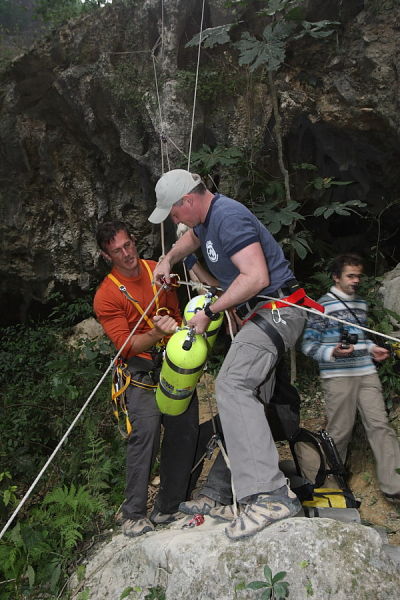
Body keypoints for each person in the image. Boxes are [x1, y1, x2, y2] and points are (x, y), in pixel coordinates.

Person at [149, 169, 307, 540]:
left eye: (173, 212)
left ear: (188, 200)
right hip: (261, 314)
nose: (174, 220)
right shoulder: (206, 221)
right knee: (247, 400)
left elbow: (256, 277)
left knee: (232, 385)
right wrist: (168, 259)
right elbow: (191, 239)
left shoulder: (229, 216)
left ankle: (270, 496)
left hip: (277, 311)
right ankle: (223, 493)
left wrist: (211, 310)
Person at [93, 220, 199, 537]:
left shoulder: (157, 271)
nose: (126, 254)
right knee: (146, 434)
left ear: (134, 240)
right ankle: (133, 514)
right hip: (139, 372)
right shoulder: (107, 295)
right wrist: (155, 332)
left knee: (183, 429)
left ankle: (169, 505)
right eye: (117, 251)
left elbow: (175, 313)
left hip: (172, 363)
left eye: (128, 245)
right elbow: (125, 346)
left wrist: (177, 329)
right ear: (106, 256)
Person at [301, 253, 400, 504]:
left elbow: (360, 339)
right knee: (339, 431)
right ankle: (330, 486)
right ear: (336, 277)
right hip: (338, 376)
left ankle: (394, 485)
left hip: (366, 372)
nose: (356, 280)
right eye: (350, 276)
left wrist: (372, 349)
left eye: (358, 276)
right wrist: (332, 351)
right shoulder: (322, 306)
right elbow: (308, 345)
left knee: (380, 425)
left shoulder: (360, 305)